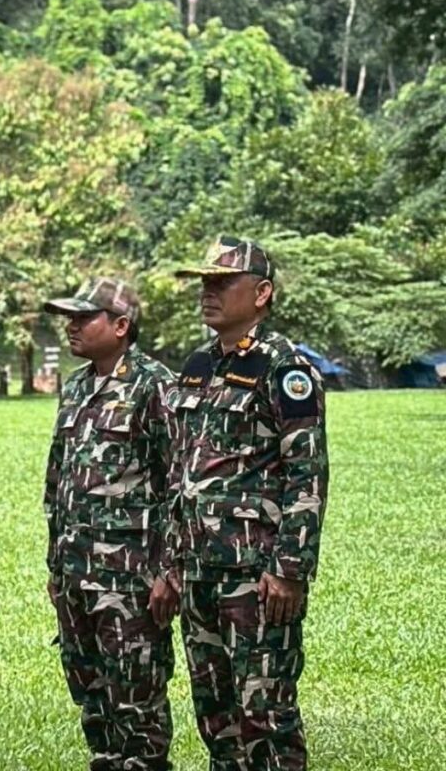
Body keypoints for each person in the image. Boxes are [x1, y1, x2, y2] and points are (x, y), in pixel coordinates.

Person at [150, 236, 329, 771]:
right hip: (198, 570)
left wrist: (290, 569)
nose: (208, 292)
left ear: (262, 293)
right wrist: (172, 562)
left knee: (265, 715)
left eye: (223, 282)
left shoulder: (286, 369)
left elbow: (307, 473)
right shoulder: (197, 366)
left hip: (255, 574)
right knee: (216, 714)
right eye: (205, 282)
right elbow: (181, 472)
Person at [43, 277, 176, 771]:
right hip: (76, 570)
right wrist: (56, 566)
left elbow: (177, 483)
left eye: (84, 318)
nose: (72, 327)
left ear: (121, 326)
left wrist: (169, 570)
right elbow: (58, 479)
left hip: (130, 575)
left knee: (135, 691)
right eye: (69, 318)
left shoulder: (155, 385)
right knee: (90, 688)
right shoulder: (77, 386)